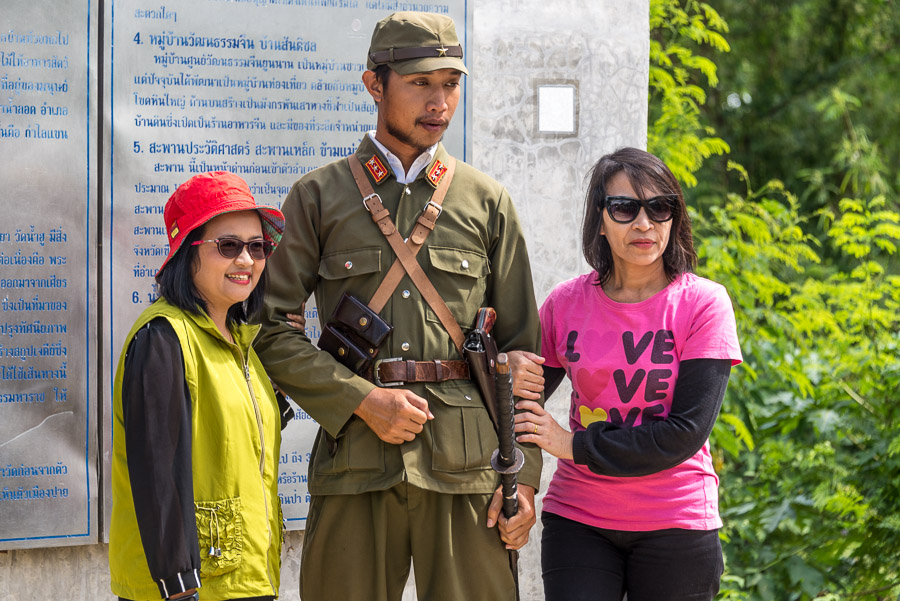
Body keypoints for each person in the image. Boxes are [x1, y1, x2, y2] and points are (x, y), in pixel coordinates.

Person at [253, 11, 542, 601]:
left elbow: (523, 358)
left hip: (469, 470)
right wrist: (362, 401)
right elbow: (268, 329)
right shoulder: (319, 196)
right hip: (355, 463)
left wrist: (525, 479)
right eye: (420, 83)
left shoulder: (487, 202)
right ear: (374, 84)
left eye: (450, 84)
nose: (439, 101)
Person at [509, 147, 742, 601]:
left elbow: (684, 433)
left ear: (674, 217)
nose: (643, 223)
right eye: (624, 208)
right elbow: (520, 400)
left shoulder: (702, 305)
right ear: (600, 219)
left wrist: (572, 444)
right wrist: (520, 478)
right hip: (579, 518)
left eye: (659, 207)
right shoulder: (565, 304)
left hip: (676, 521)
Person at [109, 171, 287, 601]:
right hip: (189, 590)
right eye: (228, 246)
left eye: (257, 246)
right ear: (186, 254)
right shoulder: (163, 337)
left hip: (244, 579)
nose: (246, 260)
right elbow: (158, 471)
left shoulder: (237, 339)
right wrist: (178, 587)